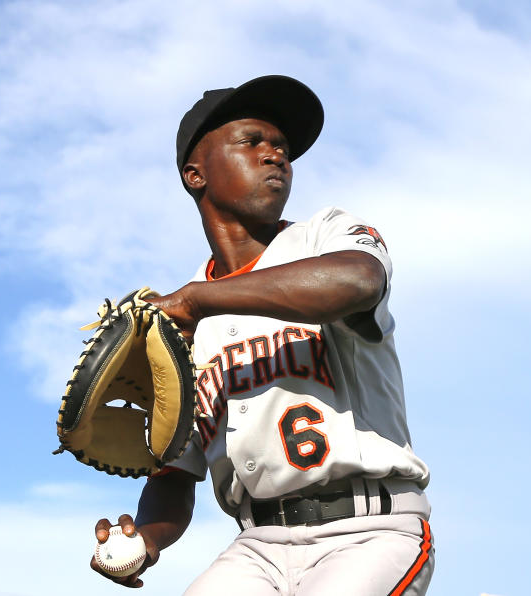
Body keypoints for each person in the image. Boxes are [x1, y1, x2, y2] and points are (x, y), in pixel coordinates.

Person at [90, 75, 433, 595]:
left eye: (283, 148)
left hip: (371, 530)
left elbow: (358, 281)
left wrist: (196, 300)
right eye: (253, 141)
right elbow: (175, 475)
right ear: (195, 174)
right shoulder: (180, 334)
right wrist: (147, 542)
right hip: (258, 545)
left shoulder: (325, 235)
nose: (276, 156)